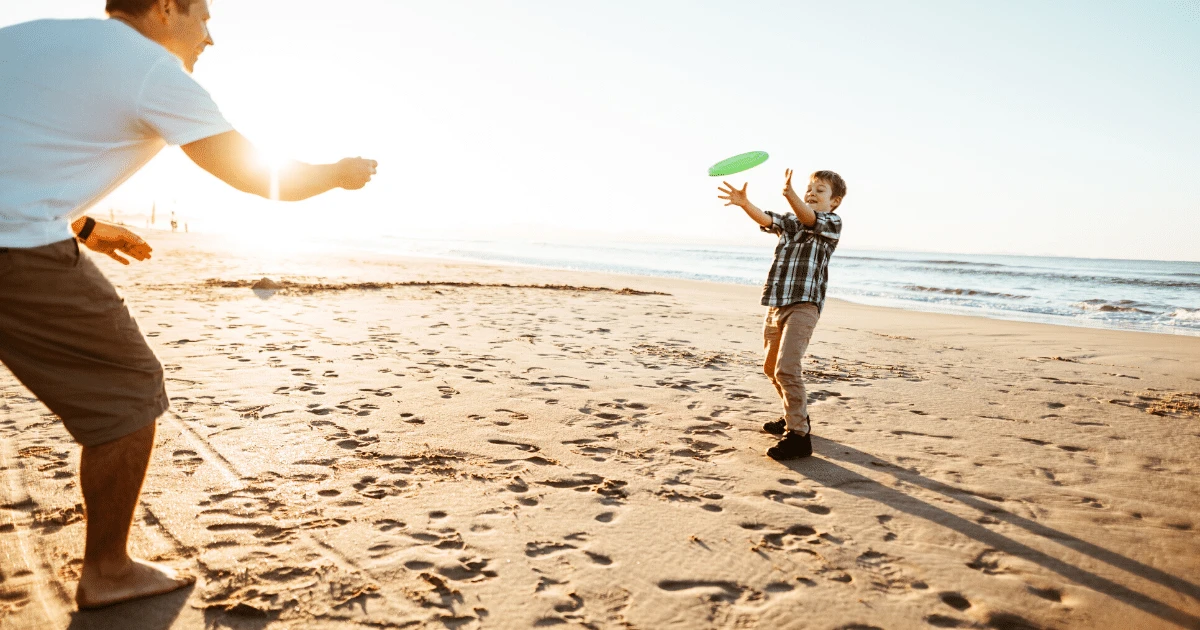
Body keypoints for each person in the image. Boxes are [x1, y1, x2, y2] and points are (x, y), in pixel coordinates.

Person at [0, 0, 378, 609]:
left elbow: (17, 155)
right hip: (14, 250)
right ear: (166, 8)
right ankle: (108, 571)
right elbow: (252, 173)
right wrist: (336, 173)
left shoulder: (32, 38)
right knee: (127, 389)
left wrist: (87, 226)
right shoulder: (152, 69)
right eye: (203, 16)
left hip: (19, 229)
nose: (210, 36)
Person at [717, 169, 845, 460]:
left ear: (834, 201)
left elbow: (809, 218)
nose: (811, 193)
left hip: (804, 305)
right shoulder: (791, 223)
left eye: (820, 191)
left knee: (787, 368)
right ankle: (794, 416)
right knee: (771, 368)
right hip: (776, 304)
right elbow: (767, 219)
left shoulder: (831, 223)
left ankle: (799, 436)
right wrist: (744, 203)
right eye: (809, 188)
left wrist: (791, 195)